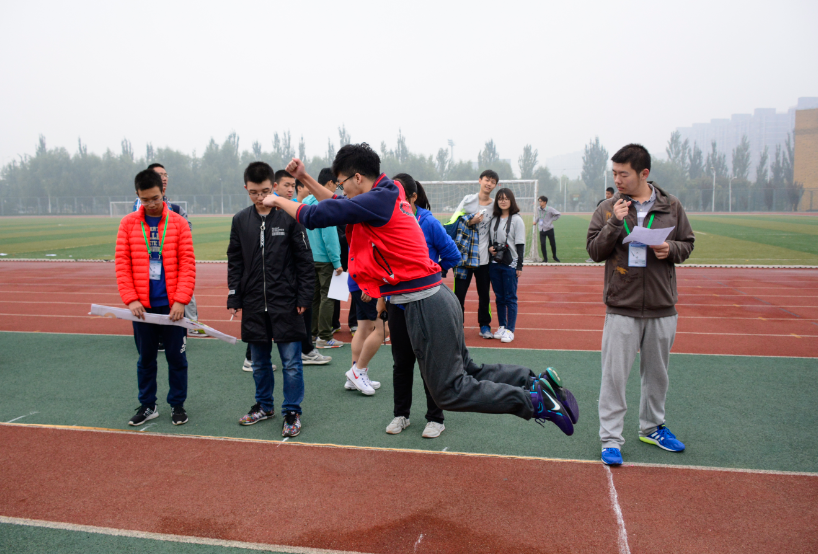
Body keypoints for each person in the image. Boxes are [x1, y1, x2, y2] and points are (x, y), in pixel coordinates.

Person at [263, 143, 579, 437]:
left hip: (424, 304)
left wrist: (276, 199)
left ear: (357, 177)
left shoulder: (376, 201)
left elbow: (316, 215)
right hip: (435, 297)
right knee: (468, 369)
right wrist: (304, 177)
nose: (340, 189)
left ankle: (536, 402)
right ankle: (535, 381)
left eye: (342, 182)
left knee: (450, 391)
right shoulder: (386, 192)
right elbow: (337, 204)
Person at [587, 143, 695, 466]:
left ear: (644, 173)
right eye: (614, 173)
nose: (617, 179)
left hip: (662, 305)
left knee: (657, 375)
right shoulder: (608, 208)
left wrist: (670, 249)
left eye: (624, 174)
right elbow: (594, 251)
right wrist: (613, 223)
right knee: (614, 377)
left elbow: (687, 243)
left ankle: (652, 427)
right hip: (622, 305)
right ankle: (610, 439)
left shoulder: (671, 206)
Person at [227, 162, 314, 438]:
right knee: (260, 363)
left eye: (264, 191)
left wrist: (304, 296)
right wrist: (234, 295)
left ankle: (292, 411)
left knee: (291, 363)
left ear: (273, 187)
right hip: (254, 304)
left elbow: (305, 261)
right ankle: (264, 406)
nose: (259, 197)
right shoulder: (240, 220)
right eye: (253, 192)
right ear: (246, 189)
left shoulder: (290, 216)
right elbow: (235, 261)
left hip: (286, 302)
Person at [116, 169, 195, 427]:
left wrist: (181, 300)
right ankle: (148, 405)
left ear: (163, 193)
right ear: (137, 196)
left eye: (155, 198)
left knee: (177, 359)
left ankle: (177, 404)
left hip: (172, 307)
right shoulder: (128, 224)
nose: (151, 204)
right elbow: (122, 265)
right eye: (145, 199)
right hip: (142, 309)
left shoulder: (178, 223)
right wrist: (131, 299)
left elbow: (187, 264)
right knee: (146, 360)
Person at [385, 174, 460, 438]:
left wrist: (432, 277)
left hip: (426, 307)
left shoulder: (428, 222)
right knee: (401, 363)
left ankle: (435, 418)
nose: (391, 198)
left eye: (397, 193)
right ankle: (401, 415)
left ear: (413, 197)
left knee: (430, 364)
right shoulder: (387, 221)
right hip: (397, 305)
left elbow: (452, 254)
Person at [132, 163, 203, 343]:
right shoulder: (135, 213)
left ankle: (191, 324)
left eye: (165, 174)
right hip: (150, 265)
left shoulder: (174, 208)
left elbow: (186, 236)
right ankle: (159, 335)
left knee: (184, 289)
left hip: (172, 262)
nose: (163, 178)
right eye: (159, 175)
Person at [450, 170, 499, 338]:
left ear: (495, 185)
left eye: (492, 182)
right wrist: (470, 221)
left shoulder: (495, 206)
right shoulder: (468, 200)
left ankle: (485, 326)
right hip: (464, 257)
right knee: (459, 295)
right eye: (487, 180)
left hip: (484, 258)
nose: (489, 184)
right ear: (480, 180)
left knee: (484, 295)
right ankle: (458, 326)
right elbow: (453, 222)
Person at [303, 168, 345, 349]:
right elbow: (330, 237)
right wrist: (337, 262)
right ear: (329, 183)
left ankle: (313, 333)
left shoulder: (306, 202)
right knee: (328, 297)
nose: (336, 189)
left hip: (309, 257)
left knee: (314, 297)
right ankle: (325, 336)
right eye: (336, 185)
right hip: (326, 259)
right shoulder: (326, 204)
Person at [488, 189, 526, 344]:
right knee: (499, 297)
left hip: (510, 264)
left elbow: (520, 244)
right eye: (500, 198)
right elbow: (490, 240)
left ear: (511, 201)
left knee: (510, 297)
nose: (503, 201)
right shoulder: (494, 219)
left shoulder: (517, 220)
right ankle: (502, 326)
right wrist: (490, 248)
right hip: (494, 263)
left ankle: (510, 329)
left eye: (506, 198)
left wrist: (519, 266)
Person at [533, 196, 561, 263]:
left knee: (552, 243)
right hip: (541, 229)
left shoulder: (550, 209)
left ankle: (554, 256)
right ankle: (545, 259)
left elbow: (558, 214)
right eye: (539, 201)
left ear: (545, 202)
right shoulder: (538, 209)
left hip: (549, 229)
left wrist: (552, 220)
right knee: (542, 244)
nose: (539, 202)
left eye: (541, 201)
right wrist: (535, 221)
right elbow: (539, 216)